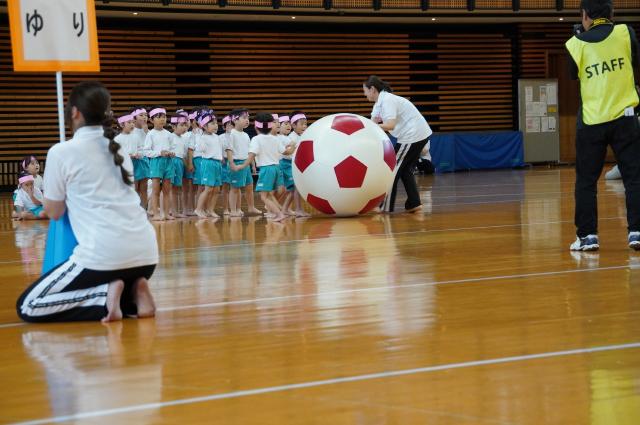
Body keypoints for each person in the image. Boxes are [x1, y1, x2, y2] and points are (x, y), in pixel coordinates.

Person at [16, 81, 158, 323]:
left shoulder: (61, 152)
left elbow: (54, 211)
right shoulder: (119, 150)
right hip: (147, 256)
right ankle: (133, 295)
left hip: (104, 256)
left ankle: (104, 299)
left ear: (74, 112)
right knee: (110, 274)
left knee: (29, 305)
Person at [565, 0, 640, 251]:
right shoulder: (626, 33)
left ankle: (588, 236)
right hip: (625, 118)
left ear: (584, 15)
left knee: (586, 181)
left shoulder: (575, 44)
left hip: (592, 121)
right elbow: (634, 62)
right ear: (612, 13)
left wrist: (581, 36)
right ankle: (637, 232)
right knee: (634, 177)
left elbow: (572, 74)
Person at [363, 75, 432, 213]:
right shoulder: (379, 103)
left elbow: (390, 125)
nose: (364, 94)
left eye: (365, 91)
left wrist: (370, 127)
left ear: (372, 89)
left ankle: (385, 207)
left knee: (391, 170)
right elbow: (372, 123)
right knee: (405, 170)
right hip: (416, 135)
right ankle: (414, 203)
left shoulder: (387, 100)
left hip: (413, 136)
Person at [232, 112, 286, 222]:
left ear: (256, 127)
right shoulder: (275, 139)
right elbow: (286, 152)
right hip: (276, 168)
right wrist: (293, 146)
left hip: (266, 169)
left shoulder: (256, 139)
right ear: (270, 126)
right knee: (269, 194)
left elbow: (251, 155)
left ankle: (279, 214)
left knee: (263, 196)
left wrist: (242, 165)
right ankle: (279, 210)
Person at [144, 106, 175, 221]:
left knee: (167, 190)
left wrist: (172, 153)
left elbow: (173, 147)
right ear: (151, 120)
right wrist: (159, 153)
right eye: (158, 117)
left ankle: (166, 213)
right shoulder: (150, 134)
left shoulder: (168, 134)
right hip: (156, 162)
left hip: (168, 162)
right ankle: (155, 214)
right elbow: (146, 151)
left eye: (164, 117)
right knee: (156, 190)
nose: (162, 119)